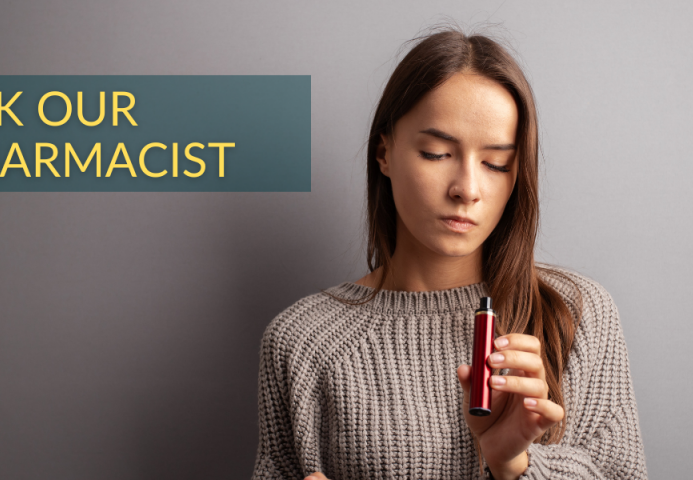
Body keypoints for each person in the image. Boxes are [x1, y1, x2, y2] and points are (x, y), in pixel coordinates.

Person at [250, 25, 648, 480]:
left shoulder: (577, 315)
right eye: (437, 153)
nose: (468, 190)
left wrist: (514, 462)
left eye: (496, 163)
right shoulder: (301, 341)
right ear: (384, 153)